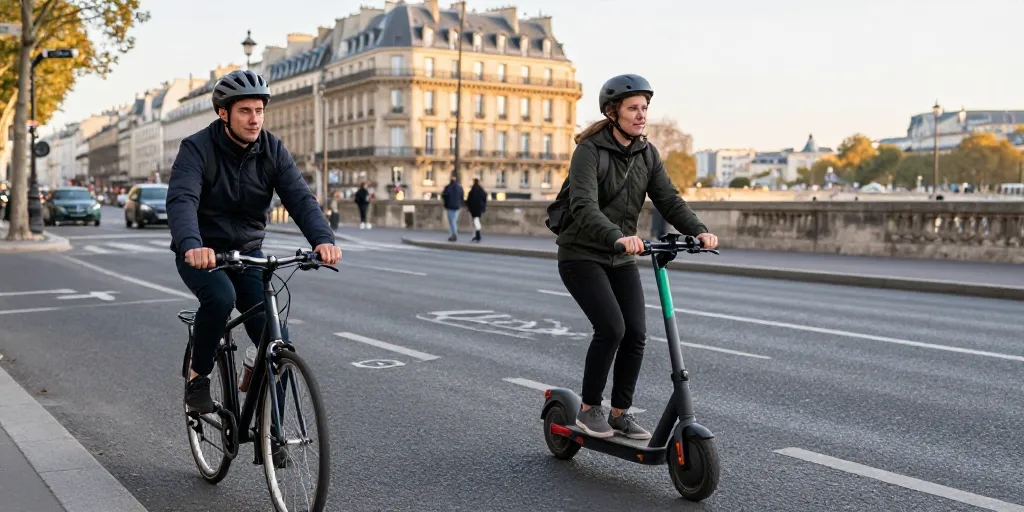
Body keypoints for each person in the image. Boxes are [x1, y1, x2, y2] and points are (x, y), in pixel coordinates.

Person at [167, 69, 342, 417]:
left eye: (259, 111)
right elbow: (182, 199)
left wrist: (323, 239)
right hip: (203, 252)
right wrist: (191, 243)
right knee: (220, 298)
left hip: (248, 253)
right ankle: (198, 377)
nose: (254, 119)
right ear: (224, 113)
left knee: (277, 336)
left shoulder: (272, 149)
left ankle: (274, 435)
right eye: (245, 111)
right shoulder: (196, 149)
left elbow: (300, 198)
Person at [556, 74, 719, 440]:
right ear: (613, 113)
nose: (641, 114)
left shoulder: (647, 154)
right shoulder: (589, 151)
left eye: (645, 108)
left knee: (637, 334)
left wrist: (698, 230)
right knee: (612, 328)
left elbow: (669, 199)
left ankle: (620, 413)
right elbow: (583, 205)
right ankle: (588, 409)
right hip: (581, 254)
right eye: (633, 108)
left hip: (621, 256)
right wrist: (617, 236)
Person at [441, 173, 464, 241]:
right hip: (457, 206)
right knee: (454, 220)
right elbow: (462, 197)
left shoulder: (448, 187)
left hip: (449, 206)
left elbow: (444, 195)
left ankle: (454, 234)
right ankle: (453, 234)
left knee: (452, 221)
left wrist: (446, 203)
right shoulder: (459, 187)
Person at [466, 178, 487, 242]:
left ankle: (477, 236)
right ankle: (476, 235)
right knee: (476, 221)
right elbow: (485, 197)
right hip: (479, 208)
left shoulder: (473, 190)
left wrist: (468, 206)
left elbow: (469, 199)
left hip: (474, 208)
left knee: (476, 221)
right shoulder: (481, 190)